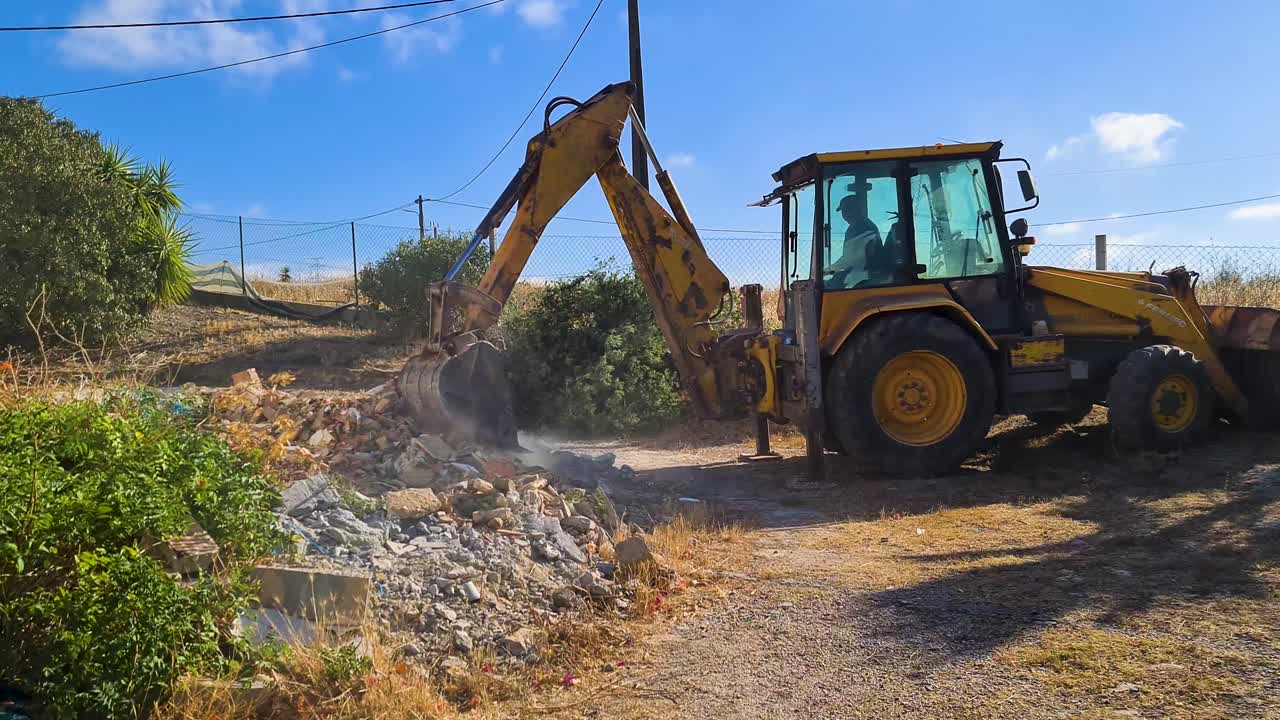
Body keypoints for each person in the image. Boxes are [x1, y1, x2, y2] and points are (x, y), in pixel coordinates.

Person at [825, 194, 882, 286]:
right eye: (843, 212)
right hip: (861, 274)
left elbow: (848, 260)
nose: (844, 215)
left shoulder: (863, 229)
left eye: (847, 210)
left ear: (857, 210)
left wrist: (826, 271)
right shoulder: (857, 227)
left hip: (864, 278)